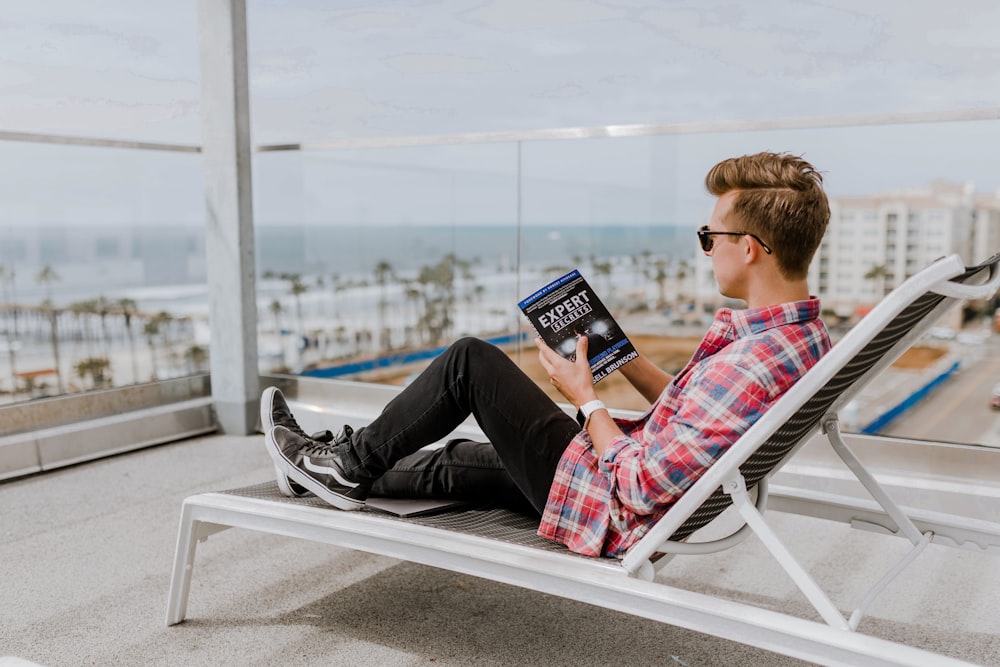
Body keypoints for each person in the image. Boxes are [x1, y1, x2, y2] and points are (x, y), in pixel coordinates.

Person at [262, 151, 833, 559]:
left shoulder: (747, 364)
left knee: (470, 363)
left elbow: (638, 487)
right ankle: (322, 466)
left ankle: (345, 466)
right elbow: (687, 416)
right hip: (626, 481)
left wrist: (586, 399)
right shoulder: (800, 338)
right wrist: (622, 356)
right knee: (466, 460)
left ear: (750, 249)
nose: (706, 250)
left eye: (710, 238)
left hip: (613, 507)